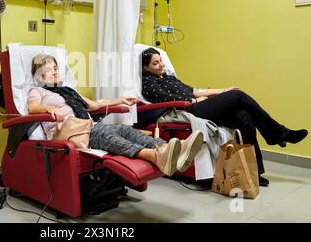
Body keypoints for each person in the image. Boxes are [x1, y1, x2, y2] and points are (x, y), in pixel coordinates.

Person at [140, 47, 309, 187]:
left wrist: (223, 90)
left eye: (160, 60)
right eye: (155, 63)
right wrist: (193, 100)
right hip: (188, 110)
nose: (161, 64)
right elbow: (164, 99)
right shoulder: (149, 84)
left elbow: (196, 90)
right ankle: (278, 133)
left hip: (197, 103)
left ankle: (254, 172)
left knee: (244, 117)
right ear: (146, 68)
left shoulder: (169, 77)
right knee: (238, 96)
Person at [27, 54, 204, 177]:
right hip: (68, 133)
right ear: (39, 75)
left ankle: (174, 149)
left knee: (124, 129)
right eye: (50, 70)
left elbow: (95, 105)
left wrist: (120, 100)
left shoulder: (67, 90)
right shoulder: (38, 91)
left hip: (88, 127)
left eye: (56, 68)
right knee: (107, 135)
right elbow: (32, 107)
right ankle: (155, 156)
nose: (56, 72)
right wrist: (47, 109)